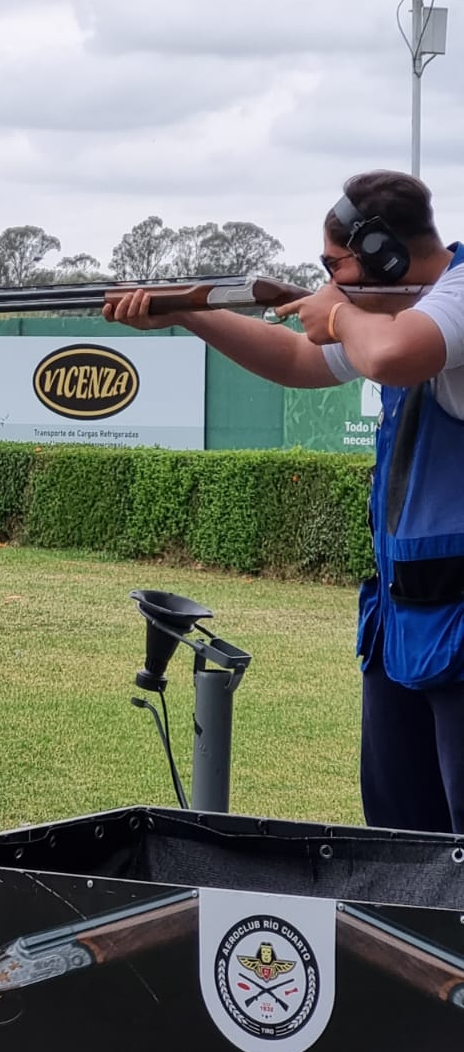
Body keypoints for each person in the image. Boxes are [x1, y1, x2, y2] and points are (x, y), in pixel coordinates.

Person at [103, 171, 464, 835]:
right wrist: (186, 311)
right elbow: (300, 360)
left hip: (457, 620)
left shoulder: (451, 297)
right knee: (401, 840)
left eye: (334, 265)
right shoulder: (388, 312)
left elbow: (386, 356)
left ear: (385, 255)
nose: (325, 279)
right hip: (404, 617)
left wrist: (341, 311)